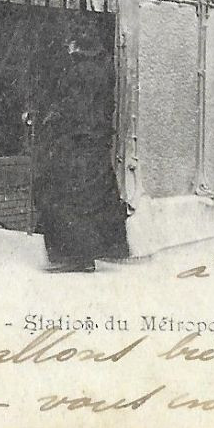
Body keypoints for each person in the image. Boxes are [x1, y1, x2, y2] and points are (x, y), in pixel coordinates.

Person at [36, 31, 128, 273]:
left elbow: (73, 108)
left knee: (64, 195)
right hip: (96, 142)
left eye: (69, 43)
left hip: (75, 142)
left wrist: (52, 119)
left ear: (76, 45)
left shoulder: (77, 72)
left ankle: (73, 256)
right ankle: (102, 249)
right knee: (95, 196)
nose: (67, 48)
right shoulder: (104, 68)